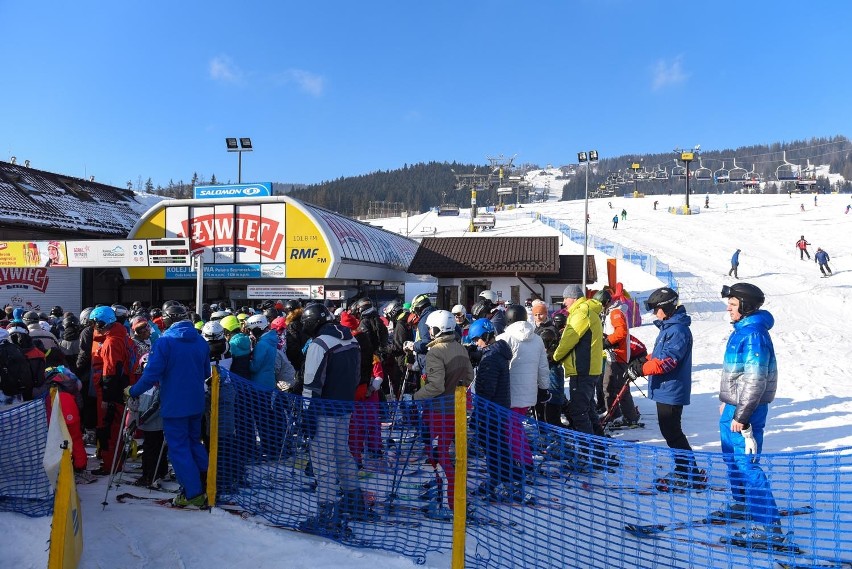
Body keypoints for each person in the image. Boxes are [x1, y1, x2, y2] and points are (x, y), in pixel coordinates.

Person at [717, 283, 787, 546]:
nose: (728, 309)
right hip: (734, 407)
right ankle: (743, 503)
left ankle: (770, 527)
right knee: (731, 458)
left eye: (733, 305)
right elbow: (736, 373)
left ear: (745, 307)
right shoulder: (742, 330)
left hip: (748, 411)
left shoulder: (753, 334)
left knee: (746, 463)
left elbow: (755, 379)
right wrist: (727, 400)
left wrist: (742, 415)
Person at [126, 303, 210, 508]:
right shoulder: (200, 340)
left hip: (174, 404)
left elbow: (151, 375)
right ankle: (207, 485)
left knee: (179, 449)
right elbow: (206, 372)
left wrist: (133, 390)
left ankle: (192, 493)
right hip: (196, 402)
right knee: (193, 443)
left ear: (166, 320)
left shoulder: (165, 342)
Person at [298, 303, 368, 534]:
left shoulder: (320, 344)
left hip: (323, 409)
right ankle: (354, 500)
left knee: (322, 461)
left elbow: (312, 382)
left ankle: (327, 512)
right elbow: (358, 374)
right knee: (342, 453)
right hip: (345, 406)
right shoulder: (351, 339)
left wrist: (307, 412)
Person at [627, 287, 705, 489]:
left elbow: (668, 361)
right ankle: (685, 469)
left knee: (672, 432)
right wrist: (644, 360)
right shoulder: (670, 328)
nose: (654, 313)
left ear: (667, 307)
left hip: (671, 389)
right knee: (670, 432)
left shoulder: (677, 330)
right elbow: (660, 355)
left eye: (656, 308)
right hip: (665, 388)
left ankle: (690, 473)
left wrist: (642, 369)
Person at [413, 309, 473, 515]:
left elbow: (435, 386)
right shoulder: (460, 347)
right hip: (455, 408)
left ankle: (450, 504)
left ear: (438, 329)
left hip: (439, 410)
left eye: (431, 328)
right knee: (444, 452)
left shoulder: (435, 352)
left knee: (438, 455)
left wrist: (417, 397)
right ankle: (445, 495)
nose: (429, 331)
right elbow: (469, 376)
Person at [468, 318, 521, 498]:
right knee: (498, 445)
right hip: (499, 407)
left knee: (494, 447)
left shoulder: (490, 359)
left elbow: (486, 390)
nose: (476, 344)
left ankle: (503, 479)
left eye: (477, 340)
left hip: (491, 410)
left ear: (486, 336)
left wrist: (477, 416)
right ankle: (505, 477)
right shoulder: (497, 353)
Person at [553, 284, 605, 467]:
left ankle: (588, 454)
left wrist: (554, 357)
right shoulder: (589, 309)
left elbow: (569, 339)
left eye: (565, 299)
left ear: (573, 298)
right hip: (589, 369)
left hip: (583, 369)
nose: (564, 303)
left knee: (579, 411)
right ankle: (599, 449)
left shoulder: (580, 313)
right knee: (588, 409)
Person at [496, 304, 550, 476]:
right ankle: (519, 460)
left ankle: (524, 463)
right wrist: (544, 388)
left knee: (511, 430)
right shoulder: (537, 339)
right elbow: (543, 367)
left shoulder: (504, 338)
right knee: (515, 427)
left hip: (508, 392)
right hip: (528, 393)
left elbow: (496, 366)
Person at [599, 289, 641, 428]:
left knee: (617, 387)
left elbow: (621, 332)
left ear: (605, 303)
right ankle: (615, 414)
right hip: (615, 355)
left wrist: (607, 341)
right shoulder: (611, 311)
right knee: (610, 386)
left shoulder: (615, 312)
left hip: (618, 355)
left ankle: (628, 417)